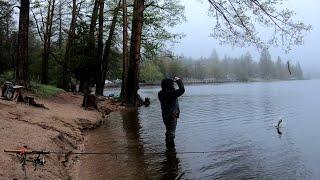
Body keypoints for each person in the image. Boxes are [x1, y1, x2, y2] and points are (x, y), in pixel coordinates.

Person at [158, 77, 185, 149]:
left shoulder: (160, 93)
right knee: (171, 134)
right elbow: (182, 90)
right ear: (170, 85)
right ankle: (171, 152)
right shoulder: (171, 93)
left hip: (165, 116)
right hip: (172, 116)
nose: (173, 85)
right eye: (172, 84)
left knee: (168, 131)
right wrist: (179, 80)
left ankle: (169, 151)